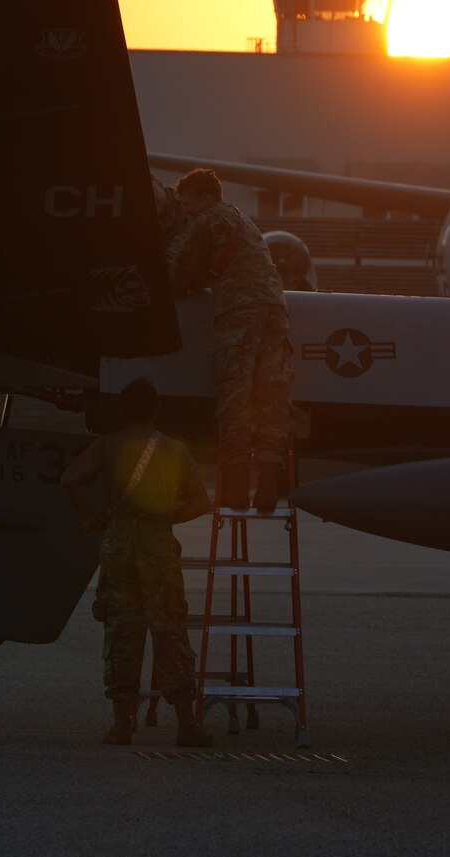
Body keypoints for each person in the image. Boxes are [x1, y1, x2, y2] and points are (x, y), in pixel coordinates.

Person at [60, 377, 213, 747]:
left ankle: (122, 724)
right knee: (169, 629)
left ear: (124, 411)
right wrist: (165, 519)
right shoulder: (176, 449)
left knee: (122, 629)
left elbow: (68, 480)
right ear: (156, 409)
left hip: (118, 544)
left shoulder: (108, 445)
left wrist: (87, 518)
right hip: (157, 544)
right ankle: (186, 725)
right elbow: (201, 502)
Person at [165, 168, 295, 511]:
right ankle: (267, 488)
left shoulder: (209, 219)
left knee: (235, 396)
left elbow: (177, 272)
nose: (186, 211)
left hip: (239, 312)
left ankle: (236, 490)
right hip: (274, 310)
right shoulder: (241, 218)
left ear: (206, 198)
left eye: (188, 204)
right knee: (271, 398)